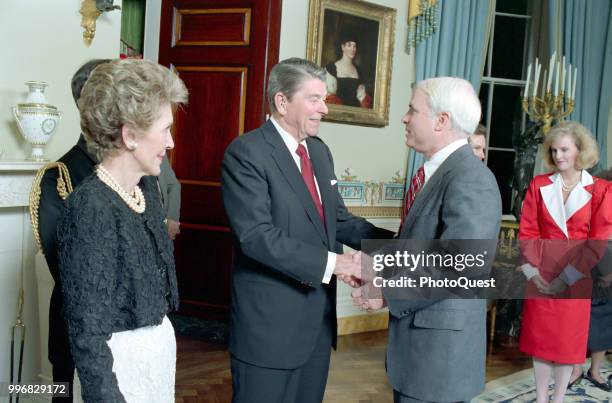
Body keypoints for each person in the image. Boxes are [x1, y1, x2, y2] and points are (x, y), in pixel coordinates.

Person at [221, 57, 393, 403]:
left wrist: (398, 244)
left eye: (325, 99)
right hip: (268, 330)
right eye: (314, 99)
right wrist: (339, 264)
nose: (323, 109)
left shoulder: (319, 151)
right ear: (282, 101)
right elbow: (257, 237)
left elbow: (338, 221)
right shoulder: (247, 153)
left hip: (316, 327)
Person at [353, 77, 502, 402]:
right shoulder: (439, 172)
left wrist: (385, 291)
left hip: (439, 358)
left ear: (441, 121)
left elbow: (461, 262)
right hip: (425, 350)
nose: (405, 118)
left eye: (412, 109)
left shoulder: (470, 177)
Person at [57, 59, 187, 402]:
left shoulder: (147, 192)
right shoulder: (90, 207)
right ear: (129, 135)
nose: (171, 143)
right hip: (119, 371)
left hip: (157, 364)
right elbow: (88, 334)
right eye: (165, 129)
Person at [37, 58, 110, 403]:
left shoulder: (139, 171)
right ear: (89, 101)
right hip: (76, 331)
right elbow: (65, 268)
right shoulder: (60, 175)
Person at [517, 121, 606, 403]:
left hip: (576, 275)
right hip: (541, 274)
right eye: (554, 150)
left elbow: (597, 242)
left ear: (580, 150)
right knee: (540, 342)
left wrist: (565, 278)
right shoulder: (539, 184)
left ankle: (558, 399)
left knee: (567, 343)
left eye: (564, 149)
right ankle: (542, 399)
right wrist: (533, 271)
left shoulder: (601, 190)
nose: (558, 156)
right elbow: (528, 231)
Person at [568, 166, 612, 392]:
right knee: (579, 319)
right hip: (588, 267)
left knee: (604, 321)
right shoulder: (598, 198)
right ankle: (576, 368)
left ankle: (595, 370)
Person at [325, 35, 372, 108]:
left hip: (356, 111)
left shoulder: (358, 70)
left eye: (354, 46)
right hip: (338, 110)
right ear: (343, 47)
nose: (352, 49)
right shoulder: (332, 68)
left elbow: (361, 95)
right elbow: (328, 95)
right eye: (349, 45)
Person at [158, 156, 181, 240]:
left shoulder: (161, 152)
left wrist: (172, 217)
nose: (170, 145)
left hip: (164, 231)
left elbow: (173, 185)